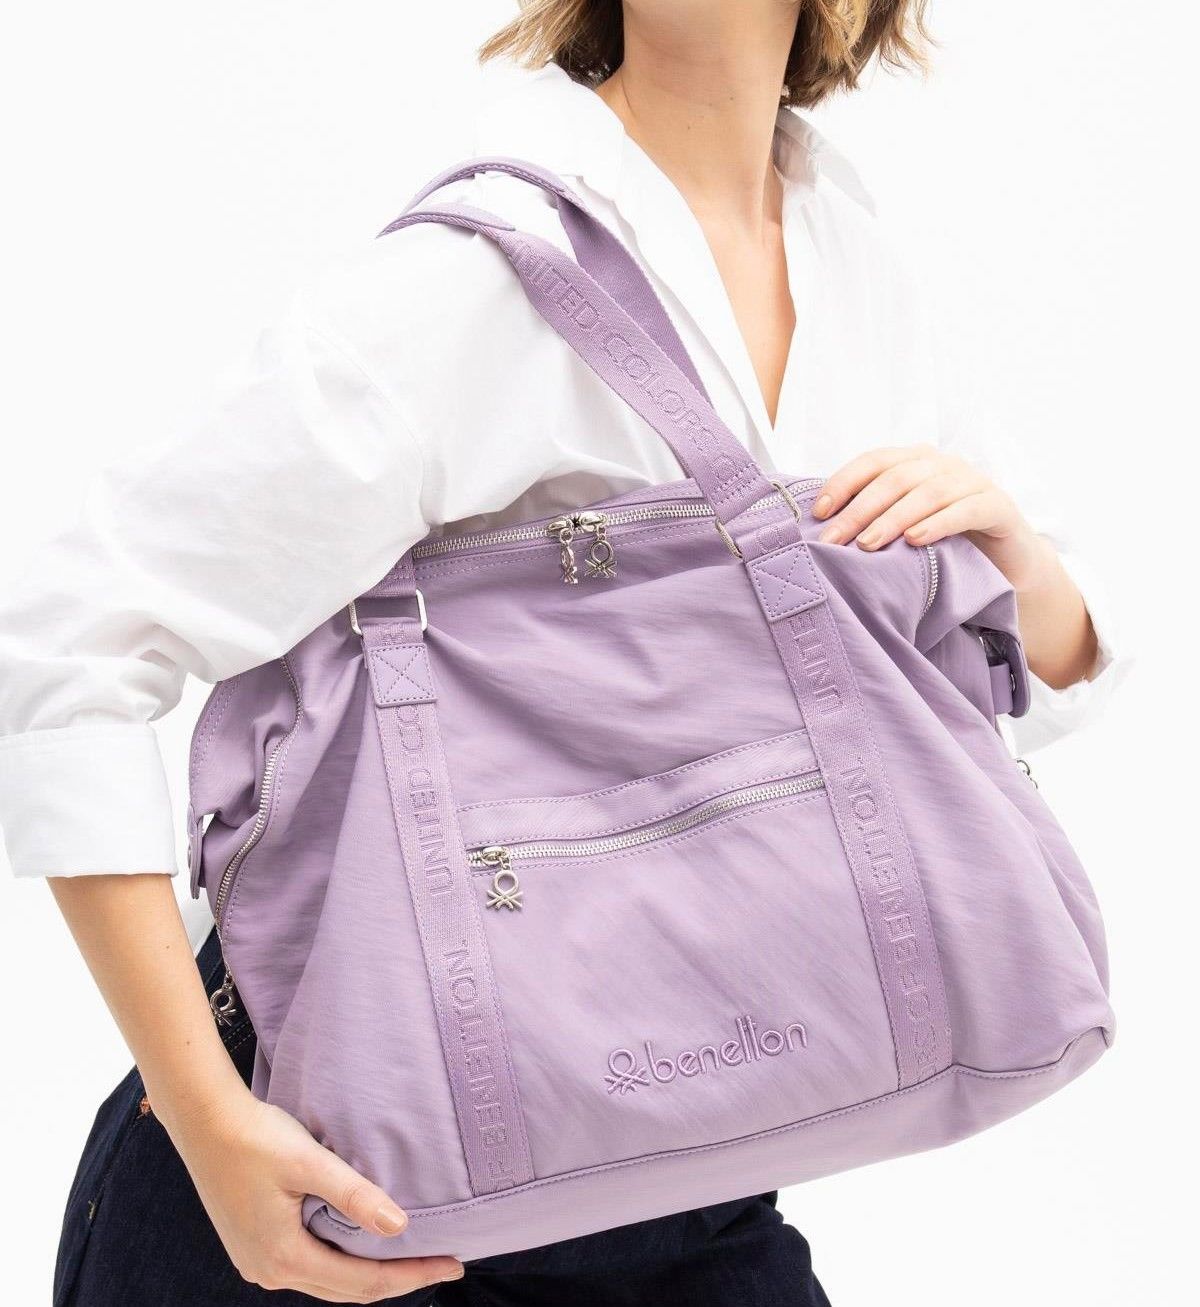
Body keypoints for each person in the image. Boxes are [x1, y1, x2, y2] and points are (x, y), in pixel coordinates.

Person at [0, 3, 1124, 1304]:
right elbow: (64, 645)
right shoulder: (470, 277)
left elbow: (1042, 674)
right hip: (319, 1182)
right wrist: (204, 1118)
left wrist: (1012, 550)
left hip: (689, 1181)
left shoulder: (856, 271)